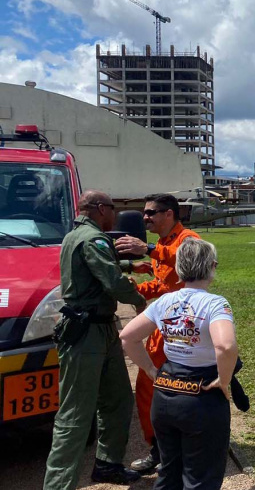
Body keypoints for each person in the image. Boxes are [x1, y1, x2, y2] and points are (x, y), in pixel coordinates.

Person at [44, 190, 147, 489]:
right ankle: (58, 485)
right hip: (86, 333)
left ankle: (107, 465)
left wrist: (130, 265)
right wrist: (139, 302)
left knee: (117, 400)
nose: (114, 214)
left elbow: (95, 268)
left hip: (102, 330)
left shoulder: (77, 235)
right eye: (112, 209)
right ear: (101, 209)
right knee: (76, 414)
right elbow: (112, 281)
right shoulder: (93, 239)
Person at [120, 238, 238, 490]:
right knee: (200, 478)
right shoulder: (215, 303)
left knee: (169, 472)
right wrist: (224, 381)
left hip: (164, 395)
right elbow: (225, 346)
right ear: (213, 266)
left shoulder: (165, 301)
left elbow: (128, 337)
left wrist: (151, 371)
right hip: (201, 397)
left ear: (179, 268)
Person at [114, 193, 199, 474]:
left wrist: (147, 248)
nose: (146, 218)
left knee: (177, 390)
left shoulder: (187, 238)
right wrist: (134, 289)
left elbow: (190, 258)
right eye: (145, 213)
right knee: (149, 389)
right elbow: (162, 284)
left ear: (169, 214)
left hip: (181, 329)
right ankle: (159, 449)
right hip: (160, 326)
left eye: (151, 212)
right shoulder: (162, 244)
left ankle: (178, 451)